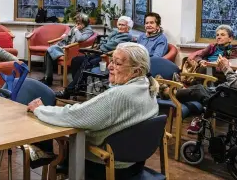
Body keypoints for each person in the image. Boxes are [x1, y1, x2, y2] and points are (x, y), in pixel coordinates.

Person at [28, 42, 159, 179]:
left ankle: (42, 154)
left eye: (117, 63)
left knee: (57, 136)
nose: (110, 66)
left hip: (106, 165)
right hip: (134, 164)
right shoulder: (147, 86)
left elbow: (74, 116)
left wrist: (40, 110)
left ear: (136, 71)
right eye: (111, 61)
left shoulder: (121, 95)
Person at [55, 16, 134, 99]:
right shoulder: (115, 32)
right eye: (119, 24)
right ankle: (79, 86)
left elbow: (110, 46)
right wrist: (102, 45)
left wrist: (101, 46)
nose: (120, 27)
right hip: (99, 53)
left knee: (86, 64)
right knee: (76, 60)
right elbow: (104, 41)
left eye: (123, 25)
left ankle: (69, 90)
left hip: (107, 57)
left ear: (128, 27)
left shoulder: (126, 36)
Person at [40, 13, 94, 86]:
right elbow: (68, 36)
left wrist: (76, 30)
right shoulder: (77, 27)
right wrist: (65, 35)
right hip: (65, 46)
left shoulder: (88, 30)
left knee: (50, 51)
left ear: (84, 23)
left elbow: (80, 39)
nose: (77, 24)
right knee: (48, 51)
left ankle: (48, 79)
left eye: (79, 23)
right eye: (76, 22)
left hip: (71, 50)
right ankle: (47, 77)